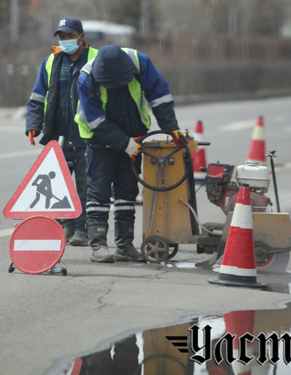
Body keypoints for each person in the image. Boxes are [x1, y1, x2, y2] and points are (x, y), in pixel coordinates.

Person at [75, 45, 187, 263]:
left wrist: (170, 126)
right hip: (99, 141)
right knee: (98, 193)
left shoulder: (140, 63)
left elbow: (160, 95)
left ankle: (124, 246)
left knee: (127, 192)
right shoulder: (86, 77)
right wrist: (124, 144)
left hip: (134, 138)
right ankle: (98, 245)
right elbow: (95, 119)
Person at [25, 17, 98, 247]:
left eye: (70, 36)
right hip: (58, 135)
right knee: (58, 186)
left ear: (81, 36)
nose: (65, 41)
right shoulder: (51, 61)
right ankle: (65, 225)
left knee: (85, 186)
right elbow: (38, 95)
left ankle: (82, 229)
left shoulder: (96, 59)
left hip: (87, 136)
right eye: (62, 37)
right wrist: (33, 124)